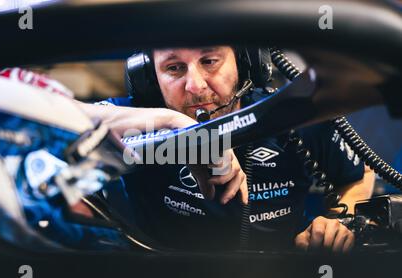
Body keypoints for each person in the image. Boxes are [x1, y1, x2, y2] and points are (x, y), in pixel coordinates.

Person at [92, 46, 375, 253]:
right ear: (148, 77)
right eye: (174, 68)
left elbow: (358, 174)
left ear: (245, 62)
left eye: (210, 61)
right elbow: (57, 122)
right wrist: (176, 128)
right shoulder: (127, 118)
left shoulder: (291, 115)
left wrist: (337, 223)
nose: (195, 86)